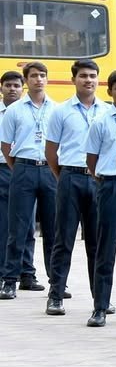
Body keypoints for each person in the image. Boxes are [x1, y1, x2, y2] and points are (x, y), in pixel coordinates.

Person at [44, 59, 106, 315]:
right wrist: (63, 177)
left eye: (92, 76)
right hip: (70, 177)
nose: (88, 80)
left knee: (97, 242)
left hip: (98, 180)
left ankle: (99, 299)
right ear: (74, 80)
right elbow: (50, 151)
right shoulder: (61, 111)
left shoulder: (106, 111)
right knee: (64, 238)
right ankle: (56, 294)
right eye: (83, 76)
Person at [0, 62, 57, 302]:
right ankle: (10, 280)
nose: (39, 80)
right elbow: (6, 145)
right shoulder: (15, 110)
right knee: (18, 227)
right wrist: (19, 168)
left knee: (54, 229)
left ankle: (57, 281)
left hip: (50, 170)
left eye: (42, 75)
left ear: (47, 79)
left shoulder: (57, 109)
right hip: (22, 167)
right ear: (27, 80)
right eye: (34, 76)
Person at [84, 69, 116, 327]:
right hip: (111, 185)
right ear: (110, 91)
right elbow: (91, 161)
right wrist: (106, 180)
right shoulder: (101, 121)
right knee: (106, 247)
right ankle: (100, 306)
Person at [0, 71, 37, 292]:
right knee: (6, 225)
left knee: (28, 225)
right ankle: (6, 272)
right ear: (1, 88)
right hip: (3, 168)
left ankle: (27, 273)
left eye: (16, 85)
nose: (12, 89)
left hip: (22, 169)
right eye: (8, 85)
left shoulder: (31, 112)